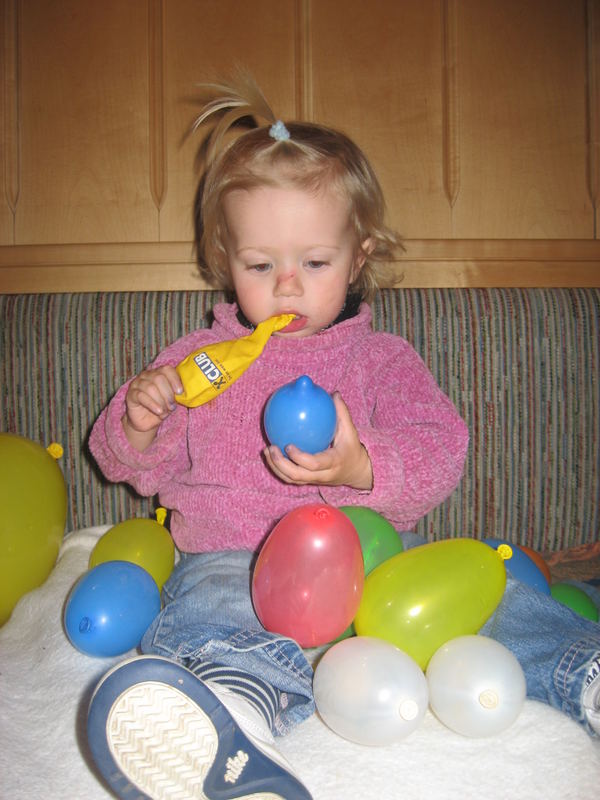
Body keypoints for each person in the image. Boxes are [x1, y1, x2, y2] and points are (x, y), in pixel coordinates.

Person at [86, 75, 599, 800]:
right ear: (226, 262)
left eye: (314, 264)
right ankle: (232, 713)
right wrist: (141, 422)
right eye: (260, 266)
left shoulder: (381, 359)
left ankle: (584, 670)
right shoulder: (195, 362)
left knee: (498, 594)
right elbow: (132, 467)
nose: (287, 286)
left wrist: (365, 467)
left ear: (358, 258)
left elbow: (440, 445)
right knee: (210, 608)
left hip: (373, 563)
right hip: (239, 557)